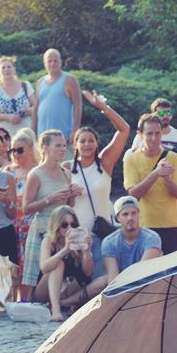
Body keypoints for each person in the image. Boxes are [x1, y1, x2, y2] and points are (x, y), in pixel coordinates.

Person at [65, 91, 130, 278]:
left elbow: (124, 129)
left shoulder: (104, 163)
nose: (87, 144)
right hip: (77, 236)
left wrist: (103, 107)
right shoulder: (67, 168)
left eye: (91, 140)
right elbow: (64, 207)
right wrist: (69, 194)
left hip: (103, 234)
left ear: (97, 143)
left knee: (103, 280)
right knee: (78, 282)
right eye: (82, 141)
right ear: (75, 145)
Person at [21, 130, 81, 294]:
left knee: (60, 265)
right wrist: (49, 199)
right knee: (34, 272)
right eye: (58, 145)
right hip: (41, 227)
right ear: (45, 147)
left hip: (60, 229)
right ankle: (30, 302)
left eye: (64, 145)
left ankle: (55, 299)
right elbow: (26, 208)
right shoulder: (36, 174)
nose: (62, 149)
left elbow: (69, 205)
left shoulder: (66, 173)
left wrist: (73, 195)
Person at [123, 114, 177, 254]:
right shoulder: (131, 159)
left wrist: (168, 180)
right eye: (149, 134)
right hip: (145, 226)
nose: (154, 138)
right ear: (140, 134)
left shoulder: (173, 157)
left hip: (170, 225)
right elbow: (133, 194)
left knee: (173, 272)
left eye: (157, 133)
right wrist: (156, 174)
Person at [33, 206, 92, 321]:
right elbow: (44, 267)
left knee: (102, 281)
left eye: (73, 225)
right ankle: (56, 310)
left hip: (68, 291)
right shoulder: (49, 241)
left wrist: (87, 252)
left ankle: (62, 303)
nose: (69, 228)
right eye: (65, 225)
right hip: (44, 291)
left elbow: (88, 273)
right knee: (58, 264)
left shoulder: (80, 240)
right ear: (56, 227)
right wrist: (65, 250)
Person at [7, 128, 39, 300]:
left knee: (29, 261)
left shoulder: (39, 170)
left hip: (31, 222)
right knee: (14, 262)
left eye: (20, 150)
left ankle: (27, 299)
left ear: (30, 148)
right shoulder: (8, 171)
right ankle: (14, 298)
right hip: (12, 222)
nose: (16, 154)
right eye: (12, 150)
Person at [101, 196, 162, 282]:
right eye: (125, 214)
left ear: (138, 214)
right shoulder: (109, 242)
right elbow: (112, 278)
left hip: (147, 281)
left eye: (134, 213)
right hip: (121, 283)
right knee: (102, 281)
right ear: (118, 218)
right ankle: (77, 295)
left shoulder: (151, 237)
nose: (130, 218)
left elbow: (144, 272)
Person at [129, 98, 177, 179]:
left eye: (168, 112)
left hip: (171, 184)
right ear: (153, 115)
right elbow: (133, 162)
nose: (165, 116)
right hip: (147, 183)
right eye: (161, 113)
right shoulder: (142, 136)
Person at [32, 49, 82, 139]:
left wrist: (75, 130)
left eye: (55, 61)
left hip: (63, 136)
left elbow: (78, 106)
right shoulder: (40, 82)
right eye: (49, 61)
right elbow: (36, 108)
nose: (52, 63)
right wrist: (32, 131)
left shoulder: (69, 80)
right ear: (45, 63)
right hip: (42, 137)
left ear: (60, 62)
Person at [0, 56, 35, 138]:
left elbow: (36, 107)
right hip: (3, 136)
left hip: (24, 134)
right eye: (3, 67)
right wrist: (8, 117)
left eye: (9, 66)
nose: (6, 69)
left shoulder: (26, 86)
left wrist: (29, 111)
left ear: (14, 69)